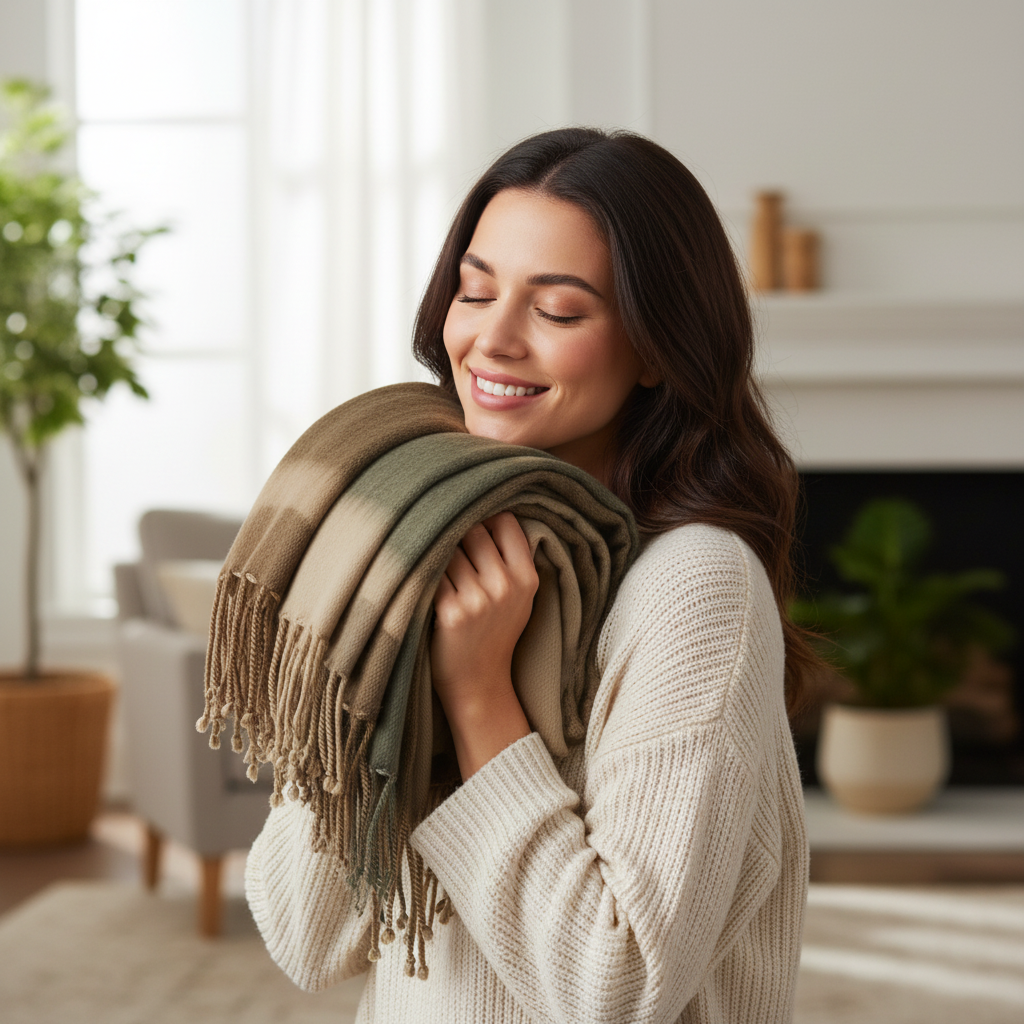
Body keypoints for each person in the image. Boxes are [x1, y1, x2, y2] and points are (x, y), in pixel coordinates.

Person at [244, 127, 812, 1023]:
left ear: (658, 348)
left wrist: (477, 696)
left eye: (557, 312)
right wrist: (389, 653)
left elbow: (613, 992)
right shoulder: (412, 543)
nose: (493, 340)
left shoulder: (697, 586)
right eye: (475, 292)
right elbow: (307, 940)